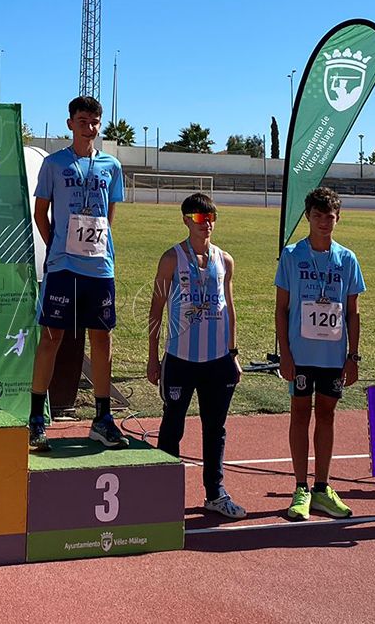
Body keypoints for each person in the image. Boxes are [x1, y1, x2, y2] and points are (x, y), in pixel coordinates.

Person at [27, 96, 127, 451]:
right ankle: (36, 419)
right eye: (82, 121)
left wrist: (96, 247)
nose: (89, 127)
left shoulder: (112, 166)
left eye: (94, 121)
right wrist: (57, 247)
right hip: (63, 266)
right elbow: (41, 213)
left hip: (99, 267)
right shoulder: (54, 164)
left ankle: (102, 419)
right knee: (51, 337)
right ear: (70, 123)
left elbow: (109, 216)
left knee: (102, 339)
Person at [148, 193, 245, 518]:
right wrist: (153, 356)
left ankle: (215, 493)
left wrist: (233, 354)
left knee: (215, 428)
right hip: (180, 359)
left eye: (211, 218)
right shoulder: (171, 259)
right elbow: (156, 308)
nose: (207, 224)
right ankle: (163, 493)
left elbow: (229, 309)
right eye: (201, 218)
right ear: (186, 220)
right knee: (172, 425)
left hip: (217, 361)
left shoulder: (224, 260)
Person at [275, 186, 365, 521]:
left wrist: (353, 356)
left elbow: (353, 312)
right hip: (300, 354)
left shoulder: (347, 259)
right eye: (317, 216)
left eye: (329, 217)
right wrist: (284, 354)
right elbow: (281, 308)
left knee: (327, 415)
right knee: (300, 415)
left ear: (337, 218)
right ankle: (301, 488)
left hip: (332, 355)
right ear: (308, 217)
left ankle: (322, 488)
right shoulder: (291, 255)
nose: (324, 223)